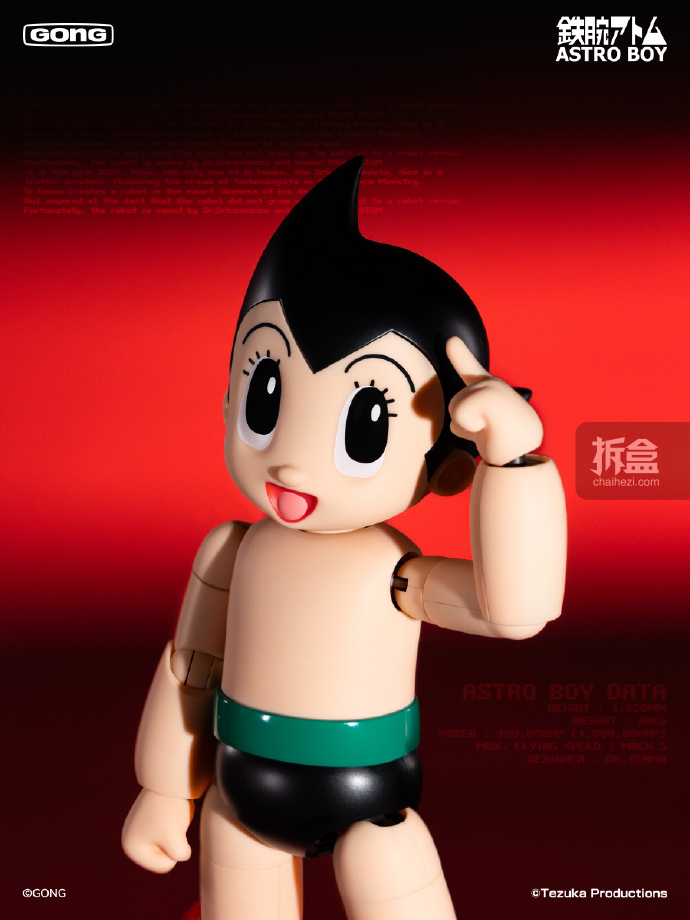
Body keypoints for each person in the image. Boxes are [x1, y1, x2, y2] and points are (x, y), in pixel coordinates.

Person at [122, 157, 567, 920]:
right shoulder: (232, 550)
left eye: (364, 427)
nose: (290, 462)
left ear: (447, 466)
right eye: (265, 395)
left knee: (383, 871)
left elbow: (512, 610)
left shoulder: (395, 570)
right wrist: (164, 786)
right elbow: (193, 668)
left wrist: (514, 464)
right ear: (229, 396)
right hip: (241, 784)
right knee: (238, 868)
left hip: (368, 798)